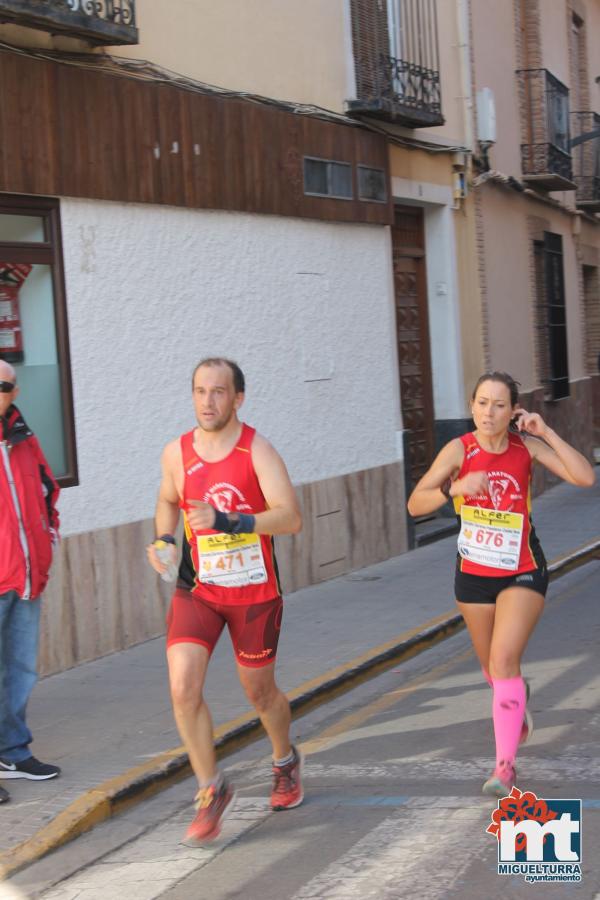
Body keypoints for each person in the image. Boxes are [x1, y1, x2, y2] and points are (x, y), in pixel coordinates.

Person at [407, 371, 595, 797]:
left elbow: (584, 477)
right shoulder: (459, 449)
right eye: (481, 402)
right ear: (471, 405)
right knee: (494, 670)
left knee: (504, 660)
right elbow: (415, 502)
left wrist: (544, 430)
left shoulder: (524, 447)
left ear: (513, 410)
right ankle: (517, 702)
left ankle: (504, 767)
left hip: (522, 569)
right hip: (473, 575)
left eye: (498, 404)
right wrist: (455, 487)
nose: (488, 412)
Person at [147, 357, 303, 844]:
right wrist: (166, 540)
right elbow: (168, 499)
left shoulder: (258, 450)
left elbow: (290, 518)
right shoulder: (177, 452)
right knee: (182, 689)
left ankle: (285, 761)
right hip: (199, 589)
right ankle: (211, 788)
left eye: (218, 392)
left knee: (259, 692)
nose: (207, 401)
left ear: (238, 398)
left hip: (254, 593)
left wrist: (231, 521)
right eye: (199, 391)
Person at [0, 360, 61, 804]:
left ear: (14, 392)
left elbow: (47, 490)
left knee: (20, 670)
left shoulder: (23, 438)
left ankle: (12, 752)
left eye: (3, 386)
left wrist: (48, 539)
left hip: (26, 575)